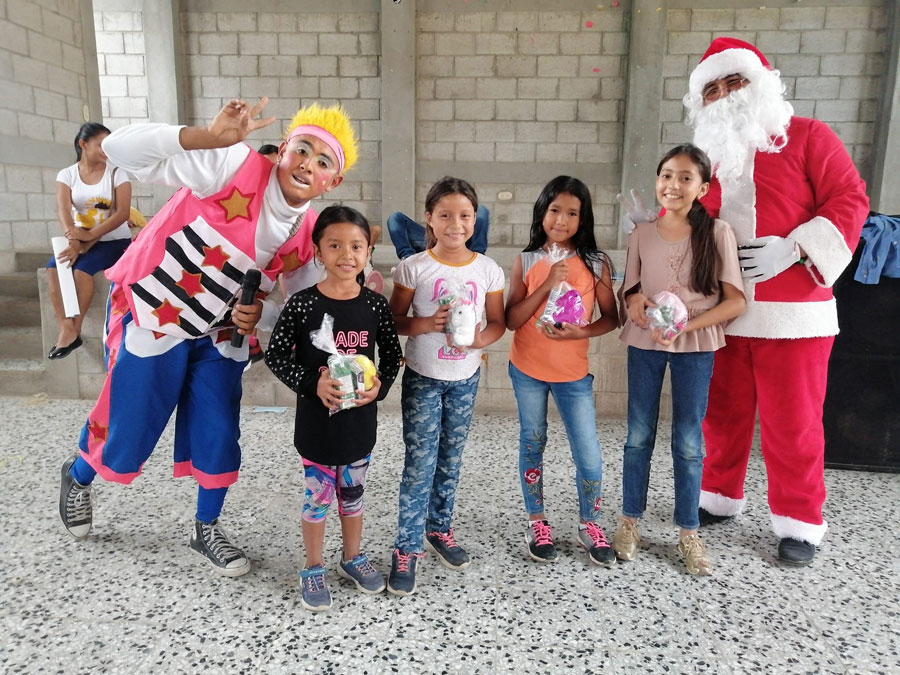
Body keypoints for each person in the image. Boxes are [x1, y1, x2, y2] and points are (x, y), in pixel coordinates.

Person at [57, 98, 358, 578]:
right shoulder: (233, 164)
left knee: (218, 430)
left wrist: (262, 314)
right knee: (129, 423)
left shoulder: (307, 232)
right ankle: (77, 475)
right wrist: (206, 137)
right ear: (283, 149)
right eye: (302, 149)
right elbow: (118, 148)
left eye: (323, 162)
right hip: (154, 311)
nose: (308, 164)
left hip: (219, 335)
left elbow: (297, 311)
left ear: (332, 182)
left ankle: (206, 526)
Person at [623, 37, 868, 566]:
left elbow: (850, 198)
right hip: (720, 316)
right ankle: (717, 495)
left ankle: (799, 521)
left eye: (734, 81)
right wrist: (653, 227)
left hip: (793, 316)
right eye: (712, 89)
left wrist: (796, 248)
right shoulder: (705, 163)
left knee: (793, 423)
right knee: (720, 416)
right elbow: (689, 223)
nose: (725, 95)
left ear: (761, 84)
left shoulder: (809, 136)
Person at [613, 145, 746, 576]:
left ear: (702, 188)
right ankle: (629, 521)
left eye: (685, 178)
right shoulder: (641, 233)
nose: (673, 185)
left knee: (689, 440)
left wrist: (686, 326)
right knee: (638, 435)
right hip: (645, 341)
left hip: (695, 345)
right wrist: (634, 302)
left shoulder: (718, 232)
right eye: (666, 175)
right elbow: (631, 289)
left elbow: (736, 301)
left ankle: (688, 531)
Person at [265, 205, 402, 611]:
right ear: (318, 252)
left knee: (353, 495)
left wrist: (378, 388)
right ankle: (312, 566)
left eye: (356, 246)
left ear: (368, 252)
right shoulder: (303, 304)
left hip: (359, 426)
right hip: (317, 428)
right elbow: (276, 356)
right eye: (335, 245)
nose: (347, 254)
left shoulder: (375, 305)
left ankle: (352, 557)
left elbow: (392, 356)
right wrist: (313, 383)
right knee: (318, 498)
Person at [386, 177, 506, 596]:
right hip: (423, 378)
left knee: (451, 460)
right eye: (445, 215)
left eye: (465, 215)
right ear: (429, 219)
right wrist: (426, 324)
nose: (456, 224)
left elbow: (498, 322)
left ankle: (439, 529)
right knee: (419, 464)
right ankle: (406, 547)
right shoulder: (414, 267)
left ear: (475, 219)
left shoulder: (488, 269)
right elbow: (393, 322)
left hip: (464, 381)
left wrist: (479, 339)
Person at [505, 176, 618, 567]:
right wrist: (546, 283)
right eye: (555, 210)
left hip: (573, 375)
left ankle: (590, 523)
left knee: (587, 452)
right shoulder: (527, 260)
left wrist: (581, 332)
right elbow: (511, 319)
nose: (562, 220)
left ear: (583, 219)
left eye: (572, 213)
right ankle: (536, 521)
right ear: (542, 212)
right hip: (527, 370)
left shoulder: (596, 263)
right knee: (532, 442)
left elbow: (612, 317)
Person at [46, 123, 132, 359]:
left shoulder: (117, 173)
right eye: (101, 145)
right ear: (83, 144)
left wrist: (88, 237)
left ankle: (75, 328)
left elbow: (122, 214)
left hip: (114, 240)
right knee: (53, 268)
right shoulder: (67, 174)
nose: (106, 150)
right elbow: (63, 210)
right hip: (79, 236)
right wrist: (73, 239)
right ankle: (66, 328)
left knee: (81, 271)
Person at [387, 204, 490, 260]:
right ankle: (408, 259)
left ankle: (478, 258)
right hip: (434, 241)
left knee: (482, 210)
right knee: (395, 217)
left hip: (460, 242)